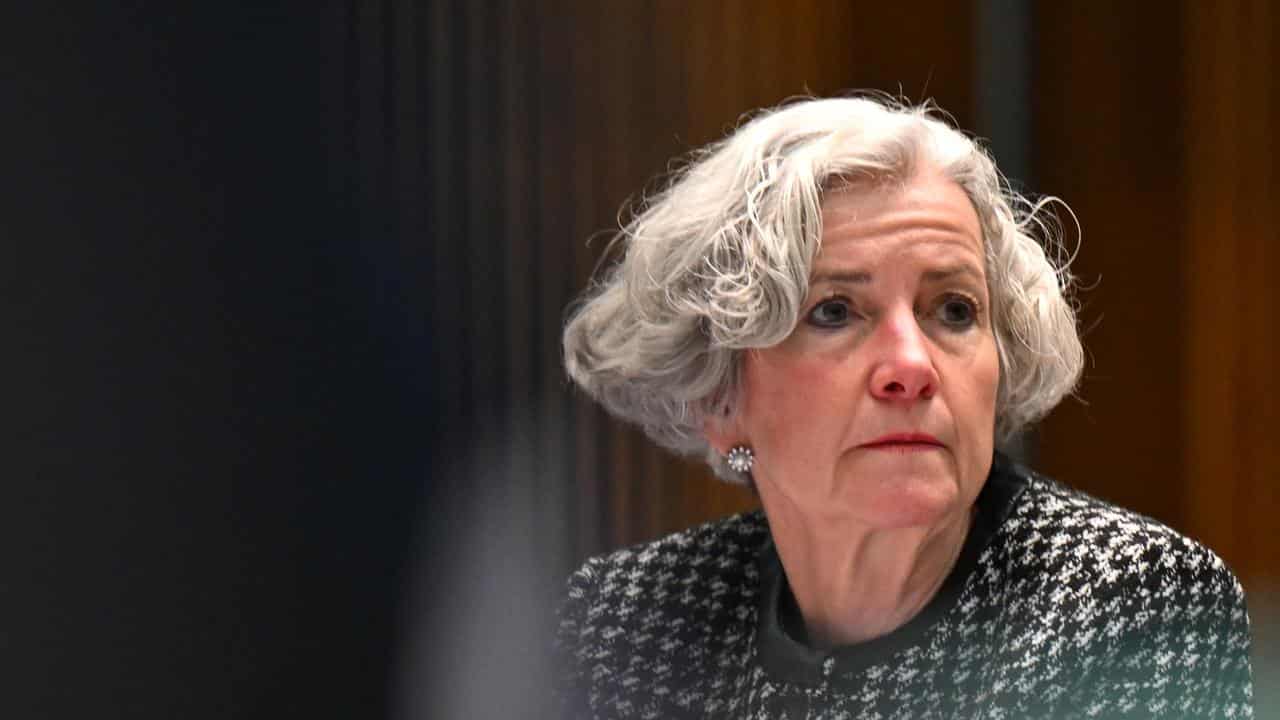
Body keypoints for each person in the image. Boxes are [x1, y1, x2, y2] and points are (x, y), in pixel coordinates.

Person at [555, 96, 1253, 718]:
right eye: (833, 312)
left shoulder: (1129, 606)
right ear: (720, 395)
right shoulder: (627, 621)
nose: (912, 367)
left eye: (954, 310)